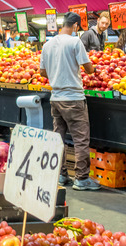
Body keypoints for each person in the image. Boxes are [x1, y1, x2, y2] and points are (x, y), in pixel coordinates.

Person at [39, 12, 100, 191]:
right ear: (74, 26)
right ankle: (81, 178)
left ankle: (61, 175)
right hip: (73, 98)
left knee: (59, 139)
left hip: (56, 98)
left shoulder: (47, 45)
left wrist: (57, 73)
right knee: (81, 140)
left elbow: (42, 72)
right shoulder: (75, 42)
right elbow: (88, 69)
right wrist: (93, 68)